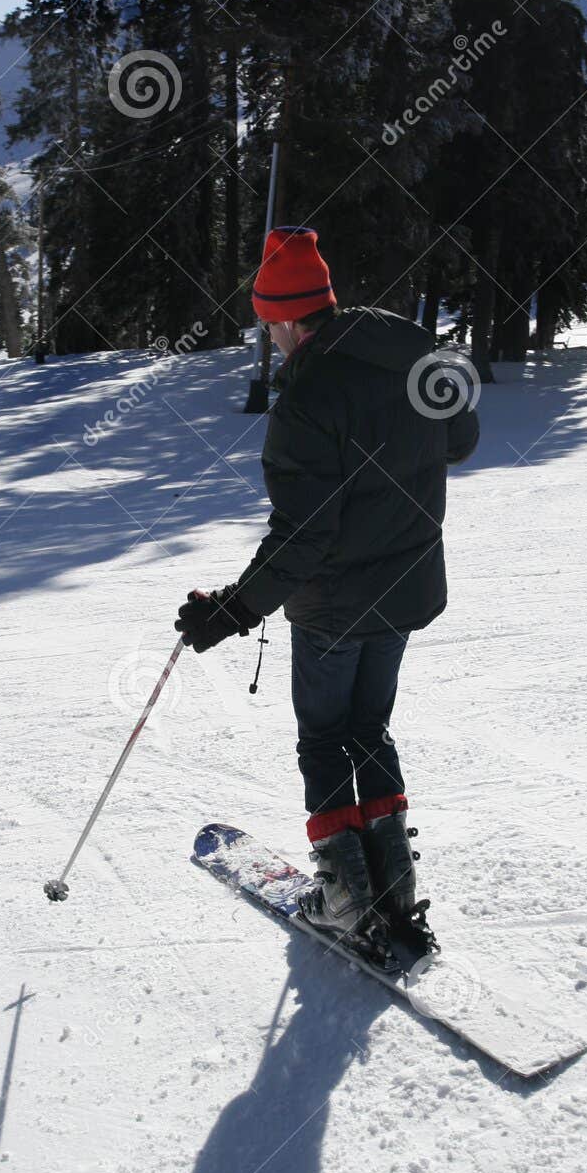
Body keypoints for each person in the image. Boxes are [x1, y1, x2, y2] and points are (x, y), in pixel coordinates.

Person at [175, 226, 479, 955]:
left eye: (265, 325)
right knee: (368, 731)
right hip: (404, 587)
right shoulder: (401, 344)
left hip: (333, 607)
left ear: (283, 318)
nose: (268, 339)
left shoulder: (307, 399)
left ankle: (345, 899)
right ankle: (393, 891)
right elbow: (459, 439)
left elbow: (304, 534)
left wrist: (234, 609)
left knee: (323, 737)